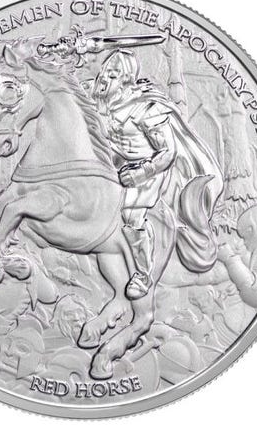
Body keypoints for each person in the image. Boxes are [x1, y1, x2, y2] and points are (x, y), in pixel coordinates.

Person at [92, 48, 221, 300]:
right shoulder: (101, 98)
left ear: (127, 79)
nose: (105, 78)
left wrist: (141, 173)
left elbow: (168, 152)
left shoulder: (147, 109)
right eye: (105, 72)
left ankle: (142, 274)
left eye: (114, 74)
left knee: (131, 216)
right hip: (112, 161)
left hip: (148, 168)